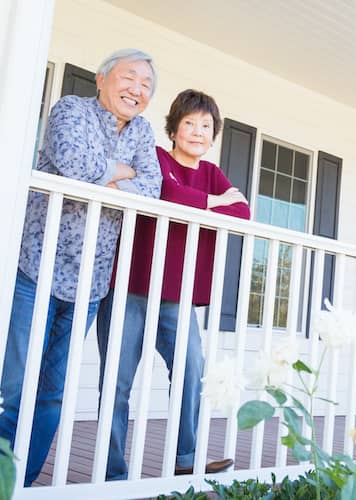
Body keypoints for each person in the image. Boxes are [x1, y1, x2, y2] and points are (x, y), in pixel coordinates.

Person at [0, 48, 163, 487]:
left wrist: (108, 174)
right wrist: (120, 172)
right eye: (129, 78)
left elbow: (152, 190)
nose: (137, 90)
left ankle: (20, 484)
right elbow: (72, 163)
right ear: (102, 78)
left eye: (146, 85)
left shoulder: (143, 132)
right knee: (14, 387)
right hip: (37, 268)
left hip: (91, 283)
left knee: (52, 394)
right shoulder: (71, 108)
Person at [96, 89, 249, 480]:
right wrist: (213, 203)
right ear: (174, 127)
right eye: (189, 123)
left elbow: (243, 210)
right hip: (130, 284)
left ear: (213, 134)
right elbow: (166, 192)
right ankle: (111, 471)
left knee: (191, 369)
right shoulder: (158, 158)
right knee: (117, 380)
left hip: (177, 296)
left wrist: (203, 200)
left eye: (206, 126)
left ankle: (186, 456)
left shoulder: (212, 173)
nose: (197, 132)